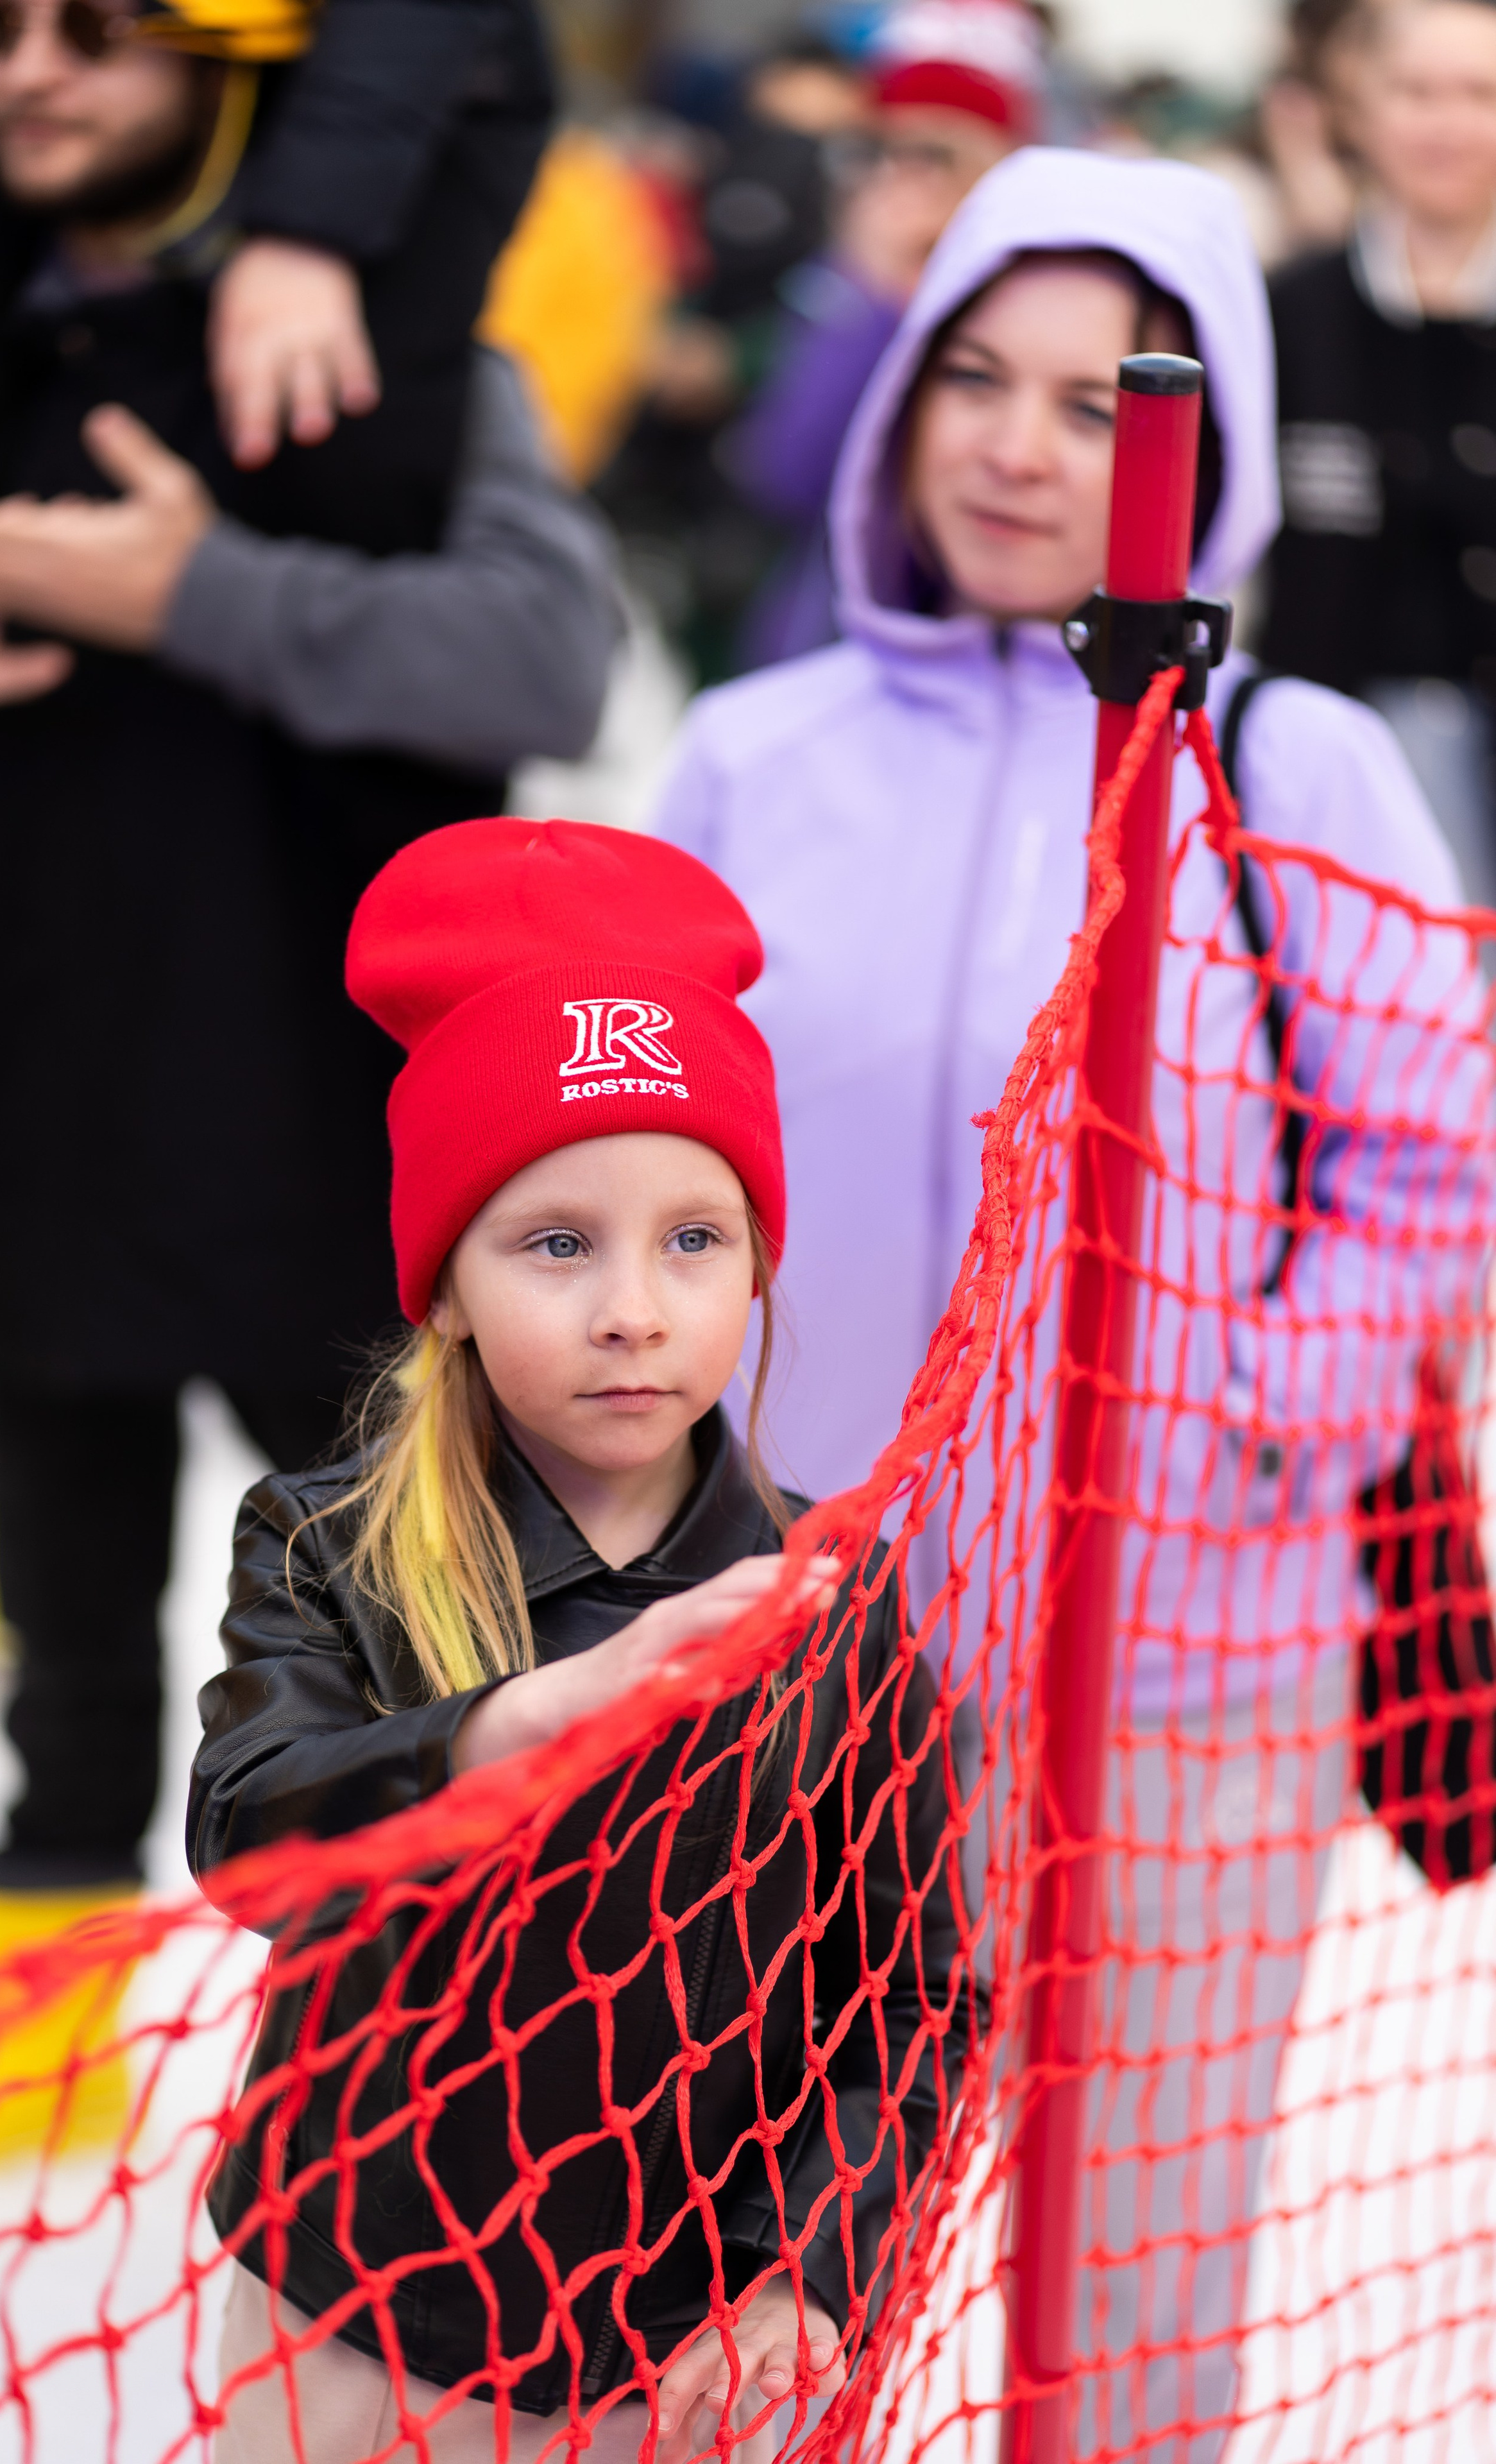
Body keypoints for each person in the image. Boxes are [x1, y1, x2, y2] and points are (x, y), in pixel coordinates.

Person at [654, 147, 1475, 2461]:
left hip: (1188, 1679)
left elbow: (1432, 1162)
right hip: (796, 1681)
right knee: (762, 2286)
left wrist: (1246, 1402)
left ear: (1199, 444)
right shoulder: (750, 759)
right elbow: (626, 1161)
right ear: (903, 399)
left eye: (1098, 404)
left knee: (1123, 2297)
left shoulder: (1281, 776)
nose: (1020, 451)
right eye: (971, 382)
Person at [0, 0, 618, 2151]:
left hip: (336, 1164)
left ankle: (421, 2081)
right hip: (32, 1128)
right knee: (67, 1648)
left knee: (406, 1645)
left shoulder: (394, 354)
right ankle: (38, 2070)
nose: (31, 71)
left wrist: (199, 592)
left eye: (98, 28)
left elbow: (548, 663)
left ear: (231, 57)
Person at [185, 817, 973, 2464]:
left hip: (675, 2353)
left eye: (693, 1237)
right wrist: (540, 1710)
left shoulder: (824, 1585)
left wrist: (809, 2271)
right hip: (357, 2308)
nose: (634, 1306)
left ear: (755, 1261)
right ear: (449, 1283)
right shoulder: (328, 1539)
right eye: (557, 1241)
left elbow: (905, 1989)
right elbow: (251, 1827)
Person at [1262, 0, 1496, 909]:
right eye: (1415, 92)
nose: (1446, 123)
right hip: (1325, 767)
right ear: (1356, 110)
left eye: (1479, 93)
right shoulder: (1290, 310)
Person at [729, 0, 1044, 667]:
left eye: (935, 154)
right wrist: (867, 294)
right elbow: (782, 476)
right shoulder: (846, 283)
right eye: (881, 150)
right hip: (820, 656)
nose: (902, 179)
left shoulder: (1039, 306)